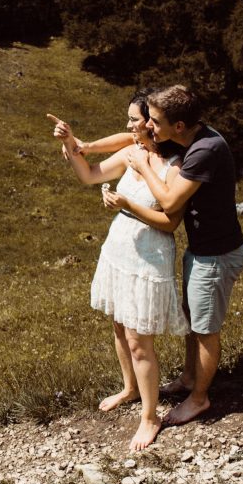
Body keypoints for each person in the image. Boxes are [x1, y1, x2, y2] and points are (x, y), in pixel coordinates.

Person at [48, 90, 187, 451]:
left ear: (152, 123)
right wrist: (70, 143)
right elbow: (90, 175)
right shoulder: (131, 152)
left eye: (134, 119)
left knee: (141, 342)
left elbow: (169, 222)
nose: (128, 126)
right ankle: (129, 388)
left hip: (149, 259)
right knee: (119, 325)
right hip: (119, 249)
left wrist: (125, 202)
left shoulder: (175, 166)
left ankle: (149, 416)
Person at [126, 85, 243, 426]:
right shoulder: (190, 138)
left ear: (178, 126)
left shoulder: (204, 150)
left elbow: (170, 202)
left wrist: (144, 166)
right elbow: (134, 136)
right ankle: (191, 379)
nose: (149, 126)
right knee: (193, 321)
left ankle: (199, 399)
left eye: (156, 121)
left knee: (206, 329)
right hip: (203, 250)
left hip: (217, 256)